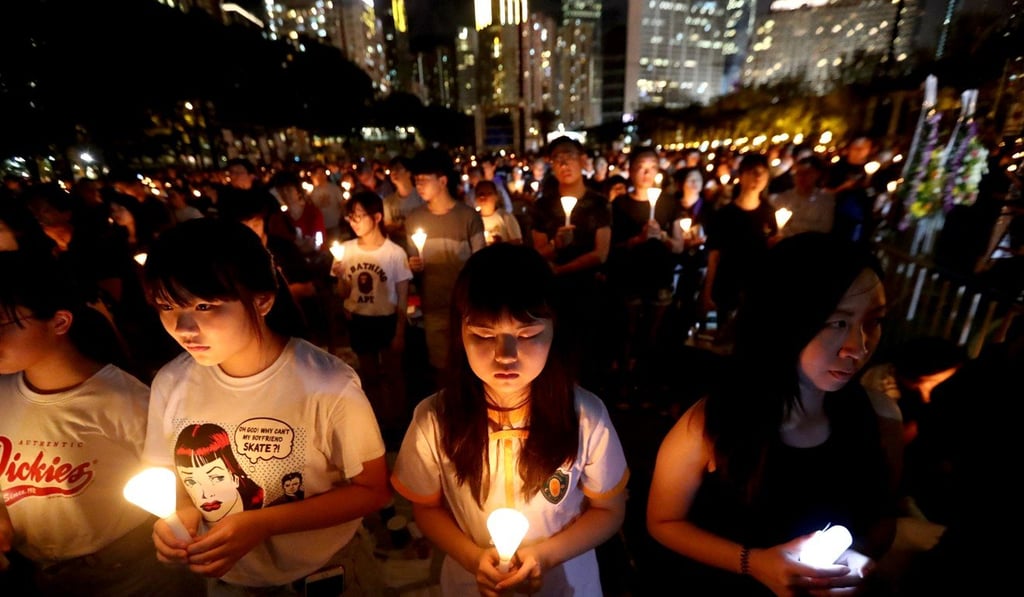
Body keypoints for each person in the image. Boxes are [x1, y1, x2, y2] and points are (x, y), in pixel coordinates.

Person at [140, 218, 391, 595]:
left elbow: (372, 489)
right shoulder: (171, 383)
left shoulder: (327, 386)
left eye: (205, 305)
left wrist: (263, 523)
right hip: (233, 579)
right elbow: (170, 475)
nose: (184, 328)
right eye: (167, 307)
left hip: (321, 573)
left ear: (262, 300)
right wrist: (181, 517)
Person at [646, 232, 901, 596]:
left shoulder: (880, 419)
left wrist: (855, 560)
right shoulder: (710, 422)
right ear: (785, 319)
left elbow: (882, 520)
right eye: (837, 323)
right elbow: (663, 520)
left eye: (873, 321)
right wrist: (755, 563)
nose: (857, 347)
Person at [391, 243, 629, 597]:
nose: (506, 356)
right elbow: (426, 507)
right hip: (470, 584)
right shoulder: (434, 419)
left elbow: (609, 510)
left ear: (553, 332)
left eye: (527, 335)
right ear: (460, 333)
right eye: (484, 335)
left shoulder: (585, 416)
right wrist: (473, 558)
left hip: (563, 584)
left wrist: (544, 557)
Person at [0, 251, 199, 595]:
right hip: (40, 571)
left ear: (60, 322)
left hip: (128, 571)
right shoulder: (3, 392)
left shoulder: (123, 400)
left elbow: (183, 484)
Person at [332, 191, 413, 437]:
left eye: (359, 216)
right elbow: (344, 293)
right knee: (368, 373)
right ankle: (376, 421)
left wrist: (399, 331)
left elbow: (402, 295)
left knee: (393, 372)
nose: (354, 222)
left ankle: (398, 421)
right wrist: (340, 275)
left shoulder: (394, 253)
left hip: (386, 319)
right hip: (359, 319)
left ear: (376, 217)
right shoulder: (346, 250)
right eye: (351, 216)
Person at [405, 148, 485, 376]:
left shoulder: (468, 217)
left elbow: (480, 263)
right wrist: (413, 268)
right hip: (433, 306)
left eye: (423, 179)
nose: (418, 185)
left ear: (442, 181)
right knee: (440, 368)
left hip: (465, 306)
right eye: (416, 180)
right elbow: (413, 264)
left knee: (469, 366)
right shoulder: (414, 219)